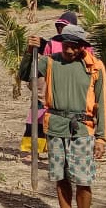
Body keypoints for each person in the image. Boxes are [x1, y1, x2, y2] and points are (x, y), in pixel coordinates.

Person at [19, 24, 106, 208]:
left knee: (83, 179)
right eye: (66, 45)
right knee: (60, 177)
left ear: (82, 47)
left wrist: (101, 137)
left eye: (74, 47)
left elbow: (103, 103)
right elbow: (24, 75)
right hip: (56, 126)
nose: (69, 51)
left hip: (82, 129)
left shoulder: (95, 67)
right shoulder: (50, 61)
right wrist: (30, 51)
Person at [20, 11, 86, 154]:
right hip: (47, 89)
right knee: (38, 118)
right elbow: (34, 70)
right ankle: (34, 149)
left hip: (73, 99)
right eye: (60, 27)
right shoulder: (51, 44)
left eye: (65, 27)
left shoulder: (85, 51)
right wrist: (31, 52)